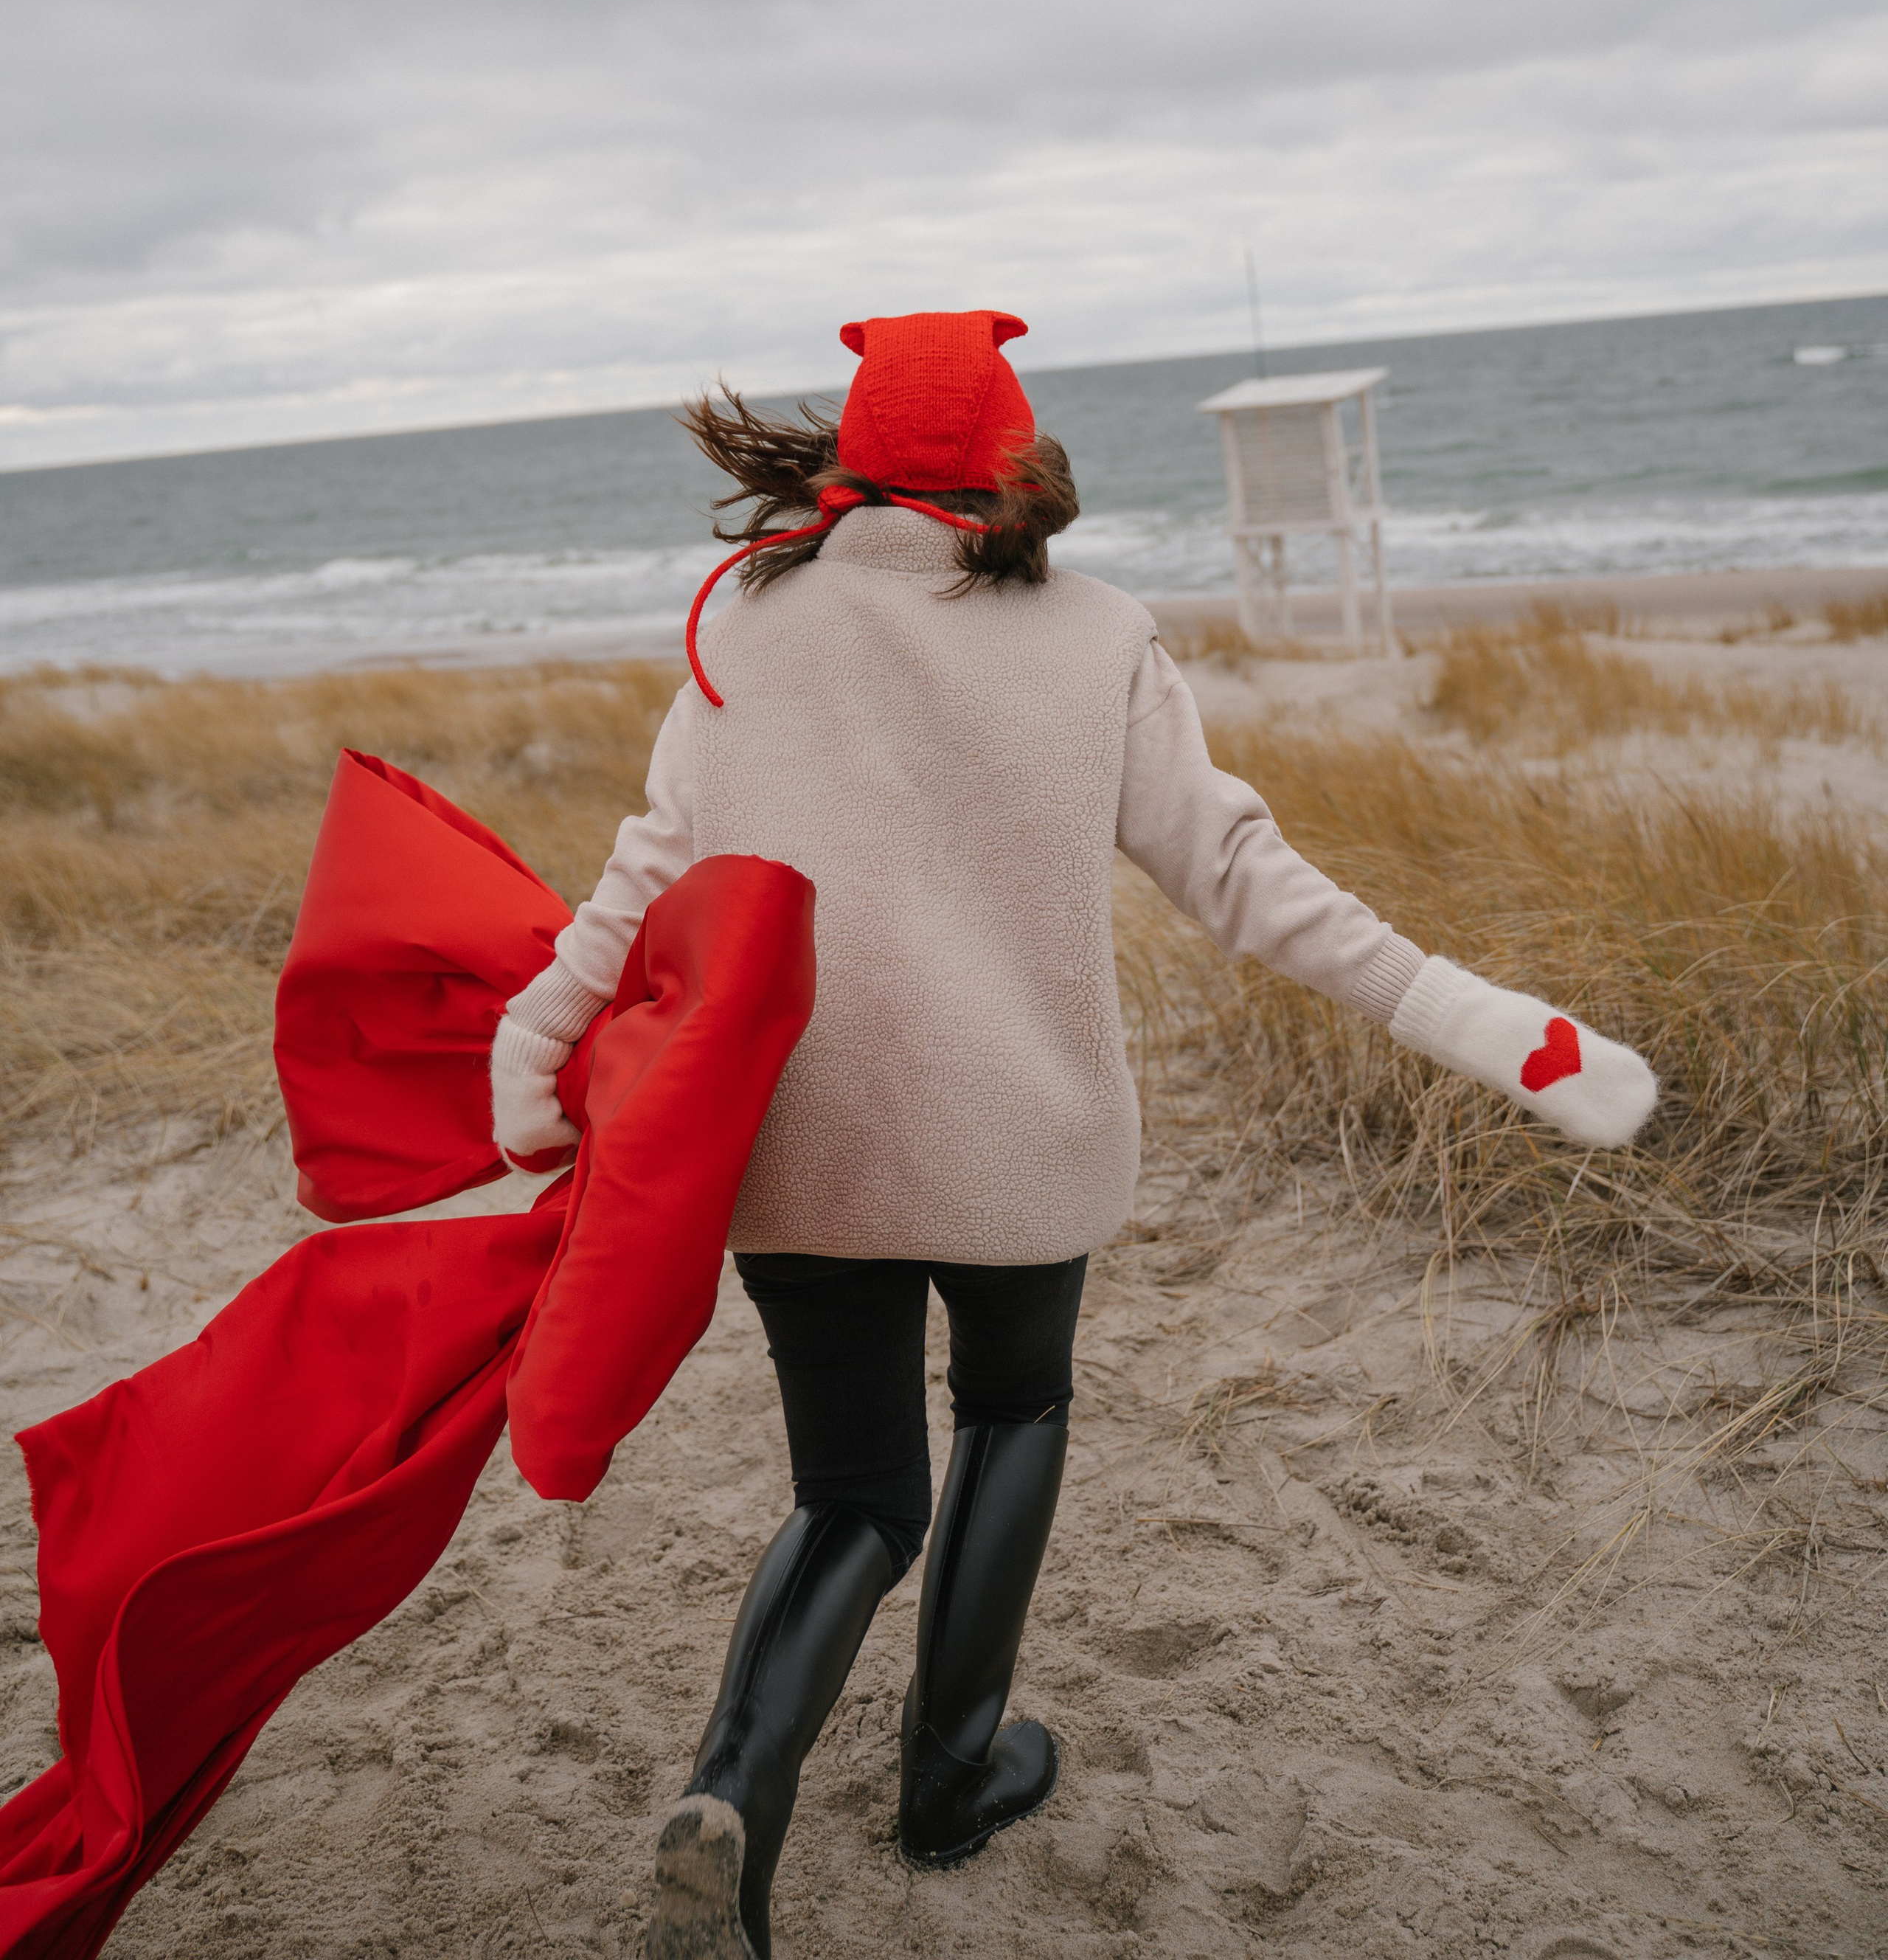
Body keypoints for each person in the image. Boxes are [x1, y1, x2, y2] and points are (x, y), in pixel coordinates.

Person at [488, 310, 1658, 1960]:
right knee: (1014, 1409)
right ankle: (950, 1780)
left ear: (852, 459)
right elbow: (1246, 884)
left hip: (799, 1147)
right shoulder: (1096, 632)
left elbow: (641, 879)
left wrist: (533, 1050)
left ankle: (733, 1799)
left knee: (850, 1494)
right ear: (1012, 470)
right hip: (1019, 1143)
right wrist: (1491, 1029)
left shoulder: (745, 627)